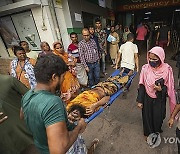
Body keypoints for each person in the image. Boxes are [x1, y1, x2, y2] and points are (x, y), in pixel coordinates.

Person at [21, 54, 87, 154]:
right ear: (54, 77)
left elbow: (22, 115)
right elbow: (58, 150)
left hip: (41, 147)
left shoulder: (28, 94)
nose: (64, 80)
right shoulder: (53, 102)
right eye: (63, 77)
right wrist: (79, 127)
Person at [137, 46, 176, 141]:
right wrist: (140, 100)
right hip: (147, 97)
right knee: (147, 117)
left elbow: (170, 87)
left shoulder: (167, 69)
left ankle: (156, 130)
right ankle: (148, 133)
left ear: (161, 58)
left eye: (154, 59)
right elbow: (141, 85)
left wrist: (161, 89)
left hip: (160, 99)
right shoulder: (145, 68)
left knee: (159, 117)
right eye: (150, 58)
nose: (151, 61)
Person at [0, 74, 38, 154]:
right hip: (26, 138)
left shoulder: (9, 81)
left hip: (23, 140)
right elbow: (36, 98)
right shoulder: (9, 80)